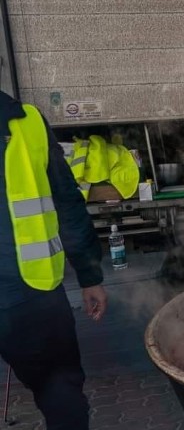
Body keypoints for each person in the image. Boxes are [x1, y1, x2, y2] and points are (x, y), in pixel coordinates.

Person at [0, 91, 108, 429]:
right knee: (60, 396)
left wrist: (89, 275)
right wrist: (89, 275)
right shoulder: (26, 121)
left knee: (61, 396)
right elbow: (66, 201)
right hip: (31, 297)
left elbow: (65, 202)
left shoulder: (28, 121)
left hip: (29, 297)